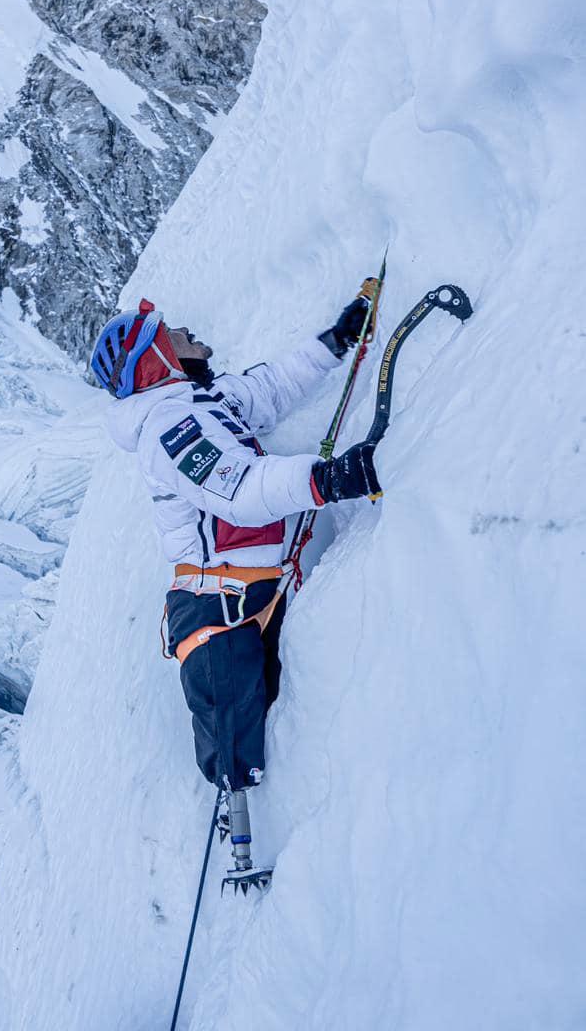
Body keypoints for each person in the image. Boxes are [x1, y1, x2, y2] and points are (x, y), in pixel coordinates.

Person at [90, 285, 381, 885]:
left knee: (253, 708)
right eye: (171, 334)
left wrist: (338, 339)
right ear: (155, 360)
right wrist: (330, 480)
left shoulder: (201, 400)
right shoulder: (171, 430)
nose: (186, 332)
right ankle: (241, 832)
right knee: (234, 731)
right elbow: (243, 492)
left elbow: (270, 387)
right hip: (216, 609)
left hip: (243, 593)